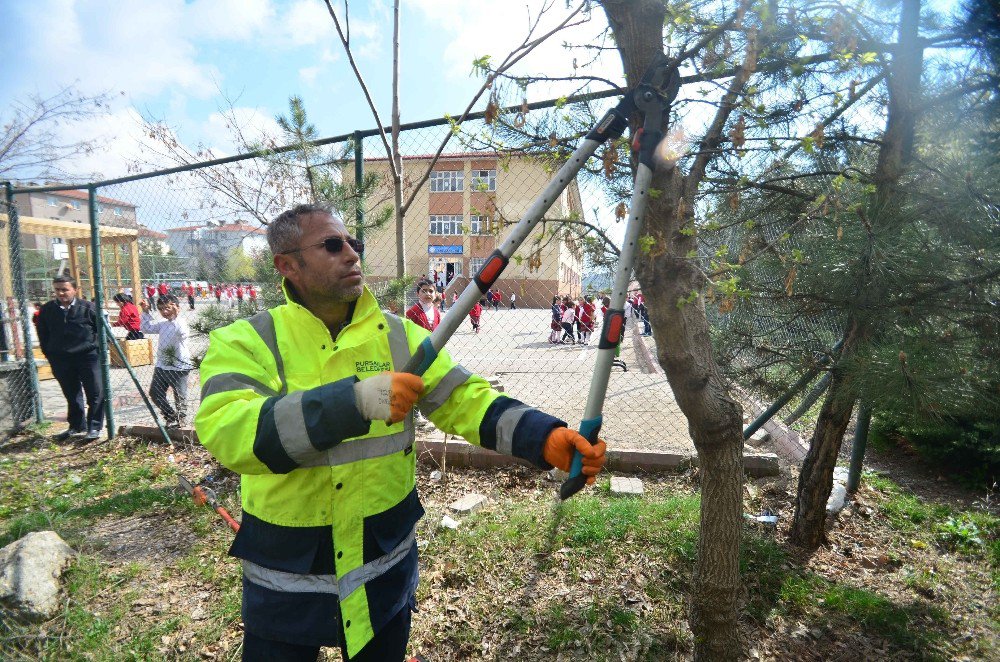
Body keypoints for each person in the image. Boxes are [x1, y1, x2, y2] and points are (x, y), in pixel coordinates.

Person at [194, 203, 606, 662]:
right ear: (287, 265)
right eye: (332, 245)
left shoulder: (401, 338)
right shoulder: (246, 342)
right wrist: (351, 403)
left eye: (354, 243)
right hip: (288, 583)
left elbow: (466, 400)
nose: (351, 254)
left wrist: (541, 437)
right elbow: (230, 431)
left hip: (381, 571)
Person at [36, 276, 105, 441]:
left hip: (87, 357)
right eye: (57, 290)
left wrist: (97, 351)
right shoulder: (47, 310)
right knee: (71, 393)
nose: (60, 293)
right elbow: (43, 334)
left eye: (64, 289)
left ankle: (94, 427)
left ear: (75, 289)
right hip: (61, 359)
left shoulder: (88, 308)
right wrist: (50, 354)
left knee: (95, 392)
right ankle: (76, 425)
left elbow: (102, 332)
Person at [140, 294, 193, 428]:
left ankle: (182, 421)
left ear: (176, 308)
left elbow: (183, 333)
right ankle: (170, 415)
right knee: (155, 392)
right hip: (162, 365)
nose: (164, 312)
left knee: (180, 395)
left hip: (179, 365)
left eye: (168, 308)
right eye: (161, 309)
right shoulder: (163, 324)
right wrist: (146, 311)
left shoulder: (181, 323)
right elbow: (147, 328)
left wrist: (176, 316)